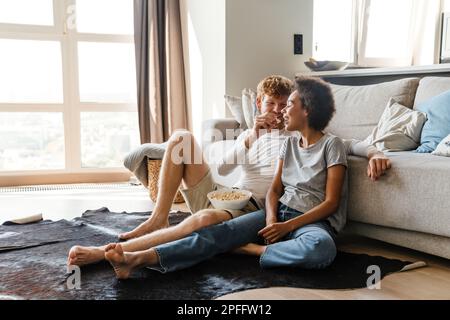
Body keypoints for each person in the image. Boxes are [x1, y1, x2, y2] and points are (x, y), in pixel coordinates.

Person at [67, 75, 391, 267]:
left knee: (206, 221)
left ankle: (120, 252)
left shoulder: (299, 137)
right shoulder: (249, 135)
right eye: (271, 105)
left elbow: (349, 144)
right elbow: (221, 168)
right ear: (258, 105)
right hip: (220, 194)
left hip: (244, 208)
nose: (278, 112)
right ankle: (159, 216)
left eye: (284, 105)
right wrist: (250, 138)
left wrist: (375, 150)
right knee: (181, 137)